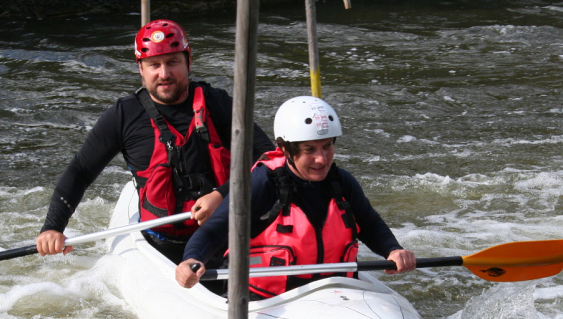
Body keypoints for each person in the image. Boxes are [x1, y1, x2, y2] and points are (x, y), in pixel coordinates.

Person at [36, 19, 275, 263]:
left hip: (225, 234)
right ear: (141, 68)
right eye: (154, 65)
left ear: (188, 61)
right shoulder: (122, 115)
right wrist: (53, 227)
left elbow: (268, 157)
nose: (164, 74)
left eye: (173, 62)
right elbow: (81, 171)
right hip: (163, 243)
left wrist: (223, 195)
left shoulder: (219, 103)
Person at [175, 96, 416, 298]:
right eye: (309, 150)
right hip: (266, 299)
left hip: (334, 296)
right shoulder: (262, 184)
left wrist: (393, 250)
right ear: (284, 149)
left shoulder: (342, 182)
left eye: (327, 146)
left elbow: (370, 224)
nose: (322, 159)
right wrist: (191, 260)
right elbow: (214, 231)